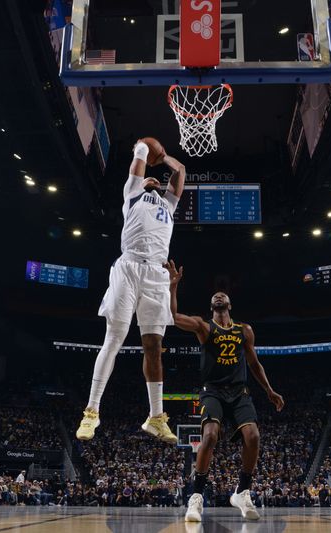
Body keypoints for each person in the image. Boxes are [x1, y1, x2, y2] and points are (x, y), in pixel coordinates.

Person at [76, 139, 186, 443]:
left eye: (156, 182)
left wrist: (163, 157)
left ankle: (155, 417)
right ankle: (91, 412)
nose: (152, 182)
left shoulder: (169, 204)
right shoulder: (132, 195)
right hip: (129, 267)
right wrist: (145, 149)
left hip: (156, 273)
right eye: (146, 180)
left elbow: (181, 172)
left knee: (153, 347)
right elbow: (139, 151)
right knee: (114, 338)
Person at [164, 260, 285, 522]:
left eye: (223, 295)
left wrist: (269, 390)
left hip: (239, 392)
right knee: (209, 436)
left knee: (253, 437)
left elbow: (254, 363)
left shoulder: (245, 330)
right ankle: (196, 497)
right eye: (215, 295)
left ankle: (242, 491)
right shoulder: (204, 327)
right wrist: (173, 286)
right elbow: (173, 317)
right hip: (212, 390)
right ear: (212, 306)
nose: (219, 295)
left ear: (229, 304)